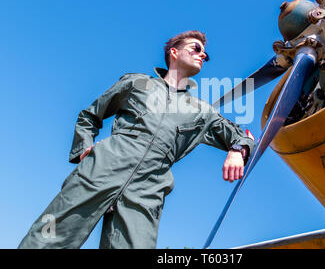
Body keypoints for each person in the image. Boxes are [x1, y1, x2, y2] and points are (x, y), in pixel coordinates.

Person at [18, 30, 255, 249]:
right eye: (196, 48)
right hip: (101, 170)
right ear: (174, 52)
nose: (203, 55)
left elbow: (240, 135)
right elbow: (90, 116)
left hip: (148, 189)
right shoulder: (136, 83)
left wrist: (237, 149)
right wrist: (85, 149)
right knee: (47, 240)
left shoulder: (202, 111)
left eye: (205, 53)